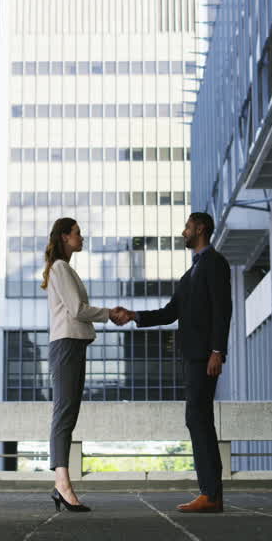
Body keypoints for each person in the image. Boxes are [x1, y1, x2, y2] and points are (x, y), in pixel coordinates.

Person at [113, 212, 232, 513]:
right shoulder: (188, 275)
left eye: (187, 227)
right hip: (192, 356)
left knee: (198, 419)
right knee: (197, 419)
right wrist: (134, 316)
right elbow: (169, 313)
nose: (183, 232)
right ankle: (211, 494)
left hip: (205, 355)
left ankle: (211, 495)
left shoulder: (215, 264)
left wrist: (217, 351)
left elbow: (222, 310)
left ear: (201, 228)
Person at [42, 216, 131, 513]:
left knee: (69, 413)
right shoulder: (61, 267)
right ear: (65, 237)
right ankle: (62, 483)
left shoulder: (64, 268)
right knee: (64, 413)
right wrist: (110, 314)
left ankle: (62, 483)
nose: (82, 237)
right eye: (78, 233)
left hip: (72, 345)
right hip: (66, 345)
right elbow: (77, 310)